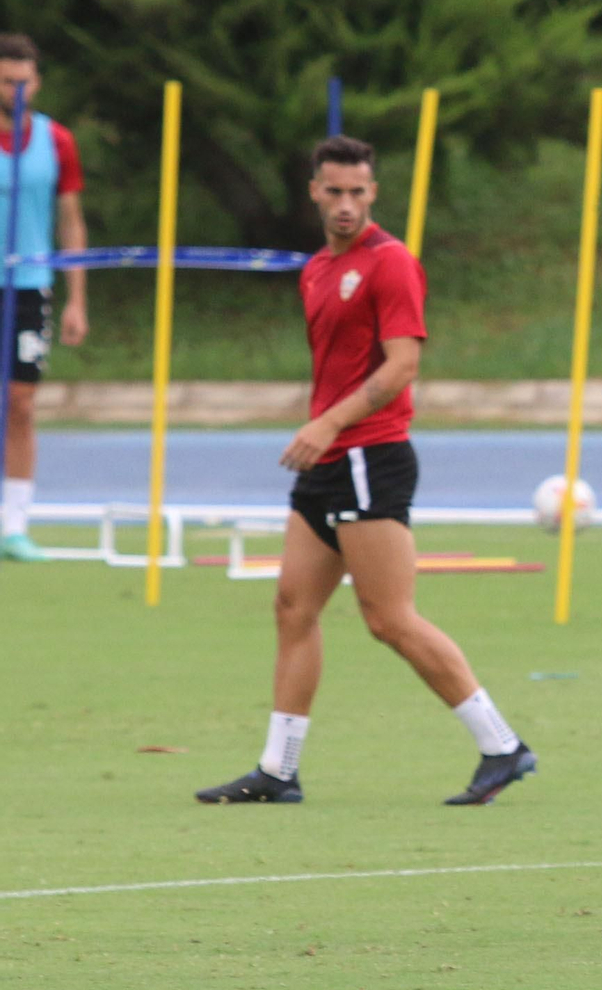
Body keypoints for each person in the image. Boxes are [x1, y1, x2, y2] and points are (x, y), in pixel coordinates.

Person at [196, 135, 535, 806]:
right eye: (334, 191)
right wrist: (320, 427)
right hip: (327, 463)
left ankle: (502, 746)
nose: (346, 203)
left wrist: (327, 423)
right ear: (315, 192)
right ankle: (279, 769)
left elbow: (401, 366)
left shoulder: (391, 264)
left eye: (358, 192)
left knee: (389, 619)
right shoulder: (318, 267)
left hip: (368, 457)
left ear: (373, 193)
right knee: (294, 607)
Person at [0, 33, 88, 562]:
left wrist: (77, 297)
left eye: (23, 80)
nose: (15, 89)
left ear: (38, 82)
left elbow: (71, 220)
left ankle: (14, 523)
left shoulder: (57, 141)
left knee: (22, 403)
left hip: (31, 286)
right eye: (6, 80)